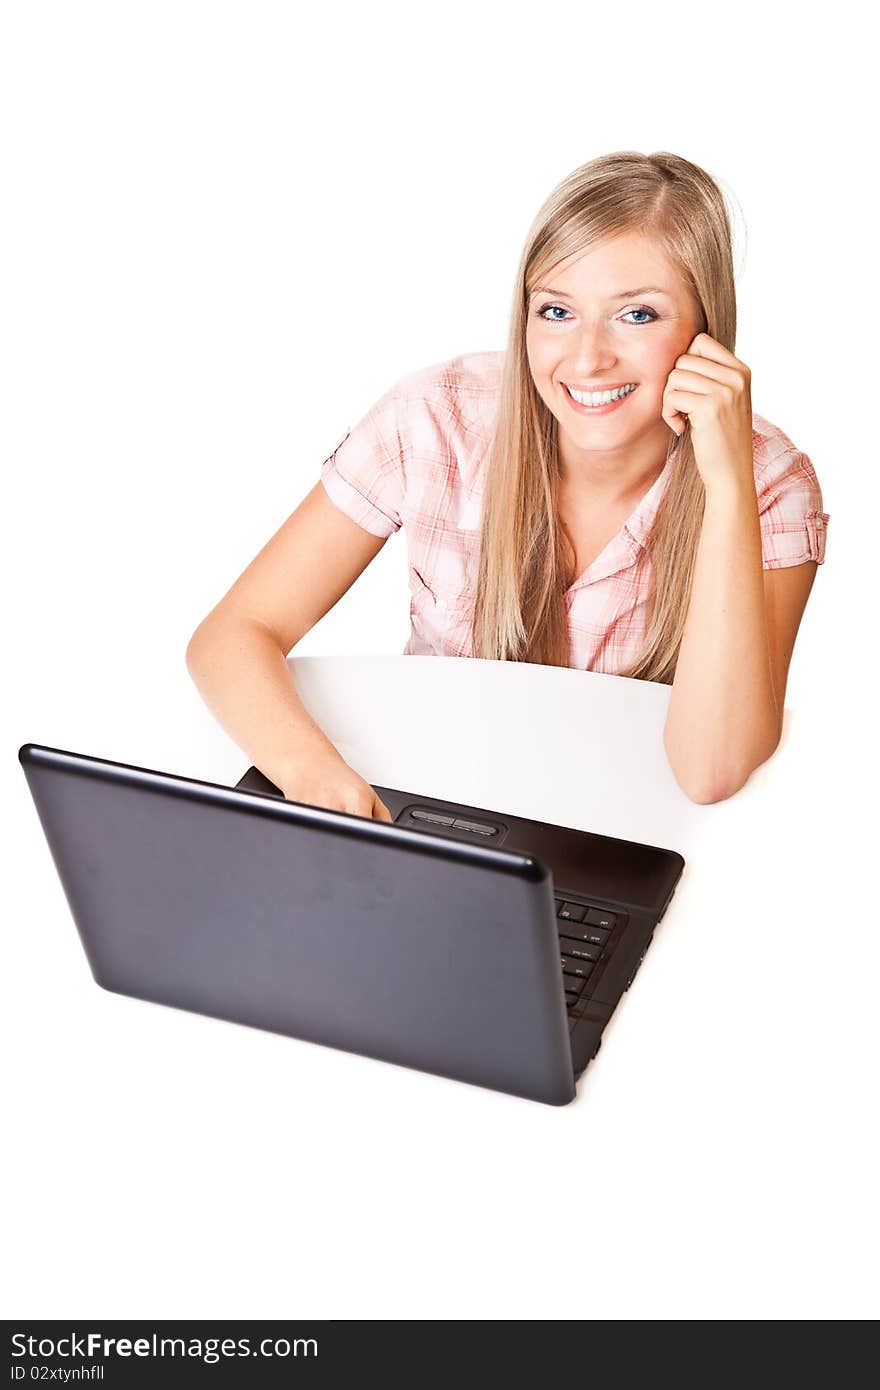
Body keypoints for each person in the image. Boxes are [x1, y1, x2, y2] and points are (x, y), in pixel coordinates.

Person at [186, 150, 829, 818]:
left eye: (637, 315)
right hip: (440, 801)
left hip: (622, 833)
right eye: (556, 311)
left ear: (706, 333)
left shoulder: (772, 486)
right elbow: (237, 630)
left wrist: (725, 490)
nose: (587, 357)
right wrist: (314, 776)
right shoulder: (439, 416)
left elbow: (711, 771)